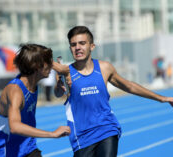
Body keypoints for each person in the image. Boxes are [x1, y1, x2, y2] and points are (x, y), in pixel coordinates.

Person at [54, 26, 173, 157]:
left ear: (92, 46)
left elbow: (129, 86)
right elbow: (58, 93)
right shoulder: (66, 73)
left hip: (106, 128)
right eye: (73, 44)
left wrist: (162, 98)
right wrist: (59, 86)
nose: (77, 47)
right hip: (82, 136)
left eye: (82, 43)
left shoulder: (105, 68)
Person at [0, 44, 70, 157]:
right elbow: (15, 127)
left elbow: (58, 94)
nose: (52, 66)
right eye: (49, 63)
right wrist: (52, 134)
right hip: (2, 151)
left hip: (26, 146)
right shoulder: (15, 91)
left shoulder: (32, 82)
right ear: (36, 66)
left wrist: (59, 87)